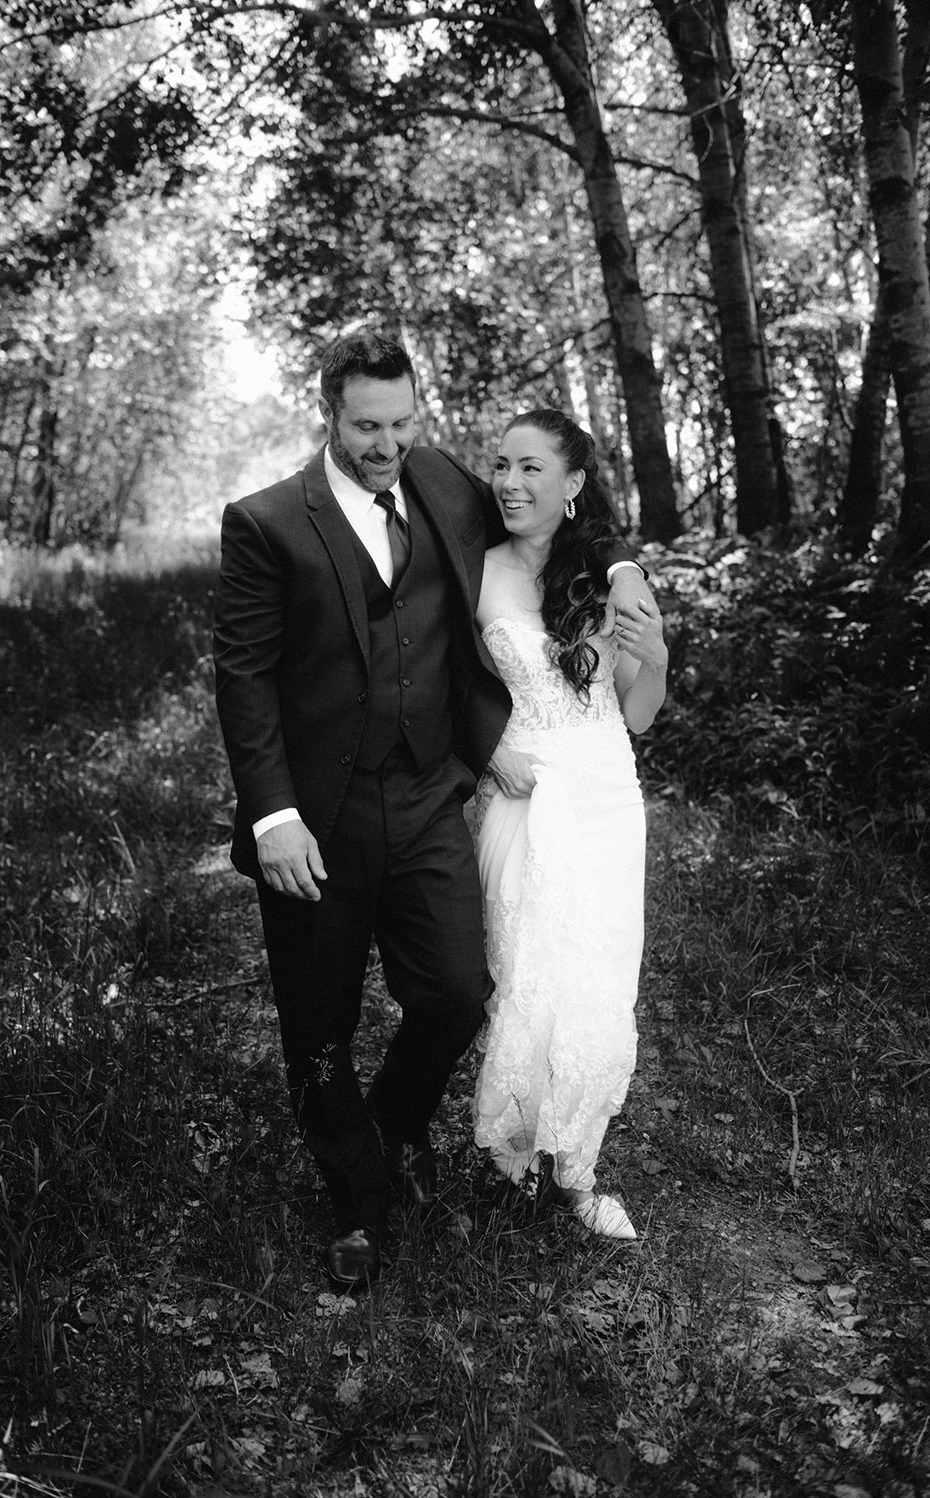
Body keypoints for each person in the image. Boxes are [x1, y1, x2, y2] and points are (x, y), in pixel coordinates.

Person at [212, 333, 656, 1291]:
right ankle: (355, 1203)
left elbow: (563, 511)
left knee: (456, 992)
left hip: (425, 795)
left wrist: (621, 573)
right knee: (318, 1019)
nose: (387, 444)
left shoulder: (447, 485)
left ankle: (393, 1125)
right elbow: (243, 678)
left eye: (402, 421)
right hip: (317, 817)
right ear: (328, 412)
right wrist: (271, 815)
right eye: (367, 426)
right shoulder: (266, 522)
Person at [473, 408, 668, 1240]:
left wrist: (654, 656)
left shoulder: (610, 573)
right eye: (503, 467)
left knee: (596, 982)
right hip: (524, 791)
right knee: (524, 974)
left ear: (574, 485)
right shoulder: (472, 571)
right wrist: (485, 752)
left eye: (532, 470)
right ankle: (512, 1158)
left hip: (605, 796)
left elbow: (641, 713)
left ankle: (578, 1171)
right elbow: (445, 686)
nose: (511, 483)